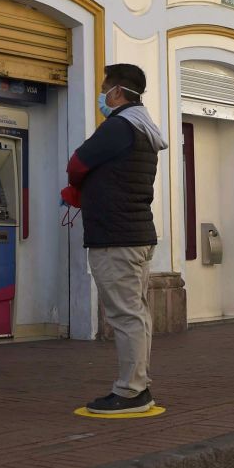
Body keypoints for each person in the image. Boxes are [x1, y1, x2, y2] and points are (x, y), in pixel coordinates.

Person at [62, 63, 167, 414]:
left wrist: (78, 187)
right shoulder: (142, 128)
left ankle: (131, 391)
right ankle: (138, 385)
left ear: (118, 93)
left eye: (105, 88)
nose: (102, 95)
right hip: (133, 233)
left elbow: (76, 163)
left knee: (125, 315)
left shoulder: (119, 126)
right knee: (136, 313)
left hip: (116, 237)